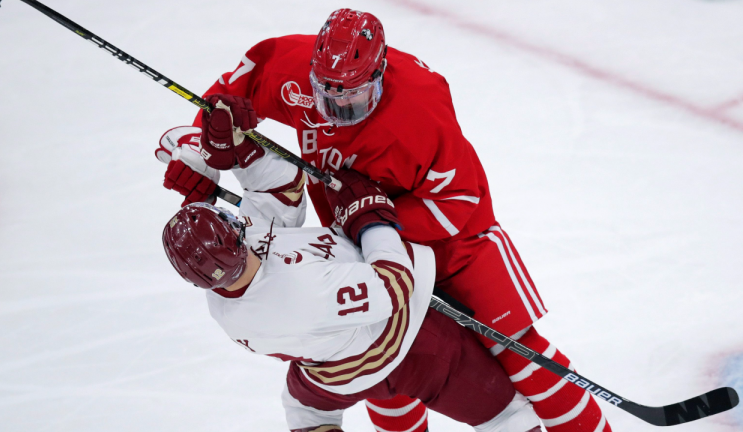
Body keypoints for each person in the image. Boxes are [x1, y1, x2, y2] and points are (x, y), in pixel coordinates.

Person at [159, 8, 612, 432]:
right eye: (325, 94)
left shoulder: (419, 108)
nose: (335, 109)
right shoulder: (290, 69)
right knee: (388, 367)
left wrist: (375, 221)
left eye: (351, 97)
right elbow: (222, 103)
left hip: (454, 244)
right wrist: (201, 151)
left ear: (378, 73)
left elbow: (457, 200)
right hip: (363, 240)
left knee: (518, 352)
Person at [160, 132, 542, 432]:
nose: (239, 221)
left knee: (304, 412)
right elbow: (394, 285)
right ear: (237, 245)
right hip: (408, 348)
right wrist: (370, 221)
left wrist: (241, 151)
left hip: (328, 375)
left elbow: (279, 201)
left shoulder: (225, 289)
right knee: (505, 418)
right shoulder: (299, 294)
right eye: (235, 226)